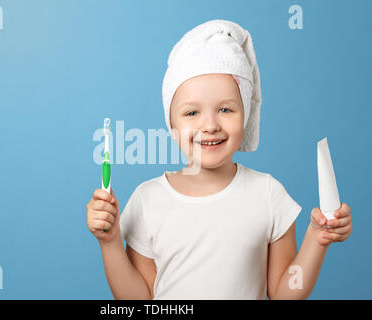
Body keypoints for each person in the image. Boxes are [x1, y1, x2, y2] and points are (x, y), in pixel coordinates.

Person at [86, 19, 352, 300]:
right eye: (191, 113)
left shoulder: (269, 195)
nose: (210, 125)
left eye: (225, 109)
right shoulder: (146, 200)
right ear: (171, 124)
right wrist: (110, 241)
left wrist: (317, 239)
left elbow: (285, 293)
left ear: (245, 114)